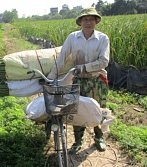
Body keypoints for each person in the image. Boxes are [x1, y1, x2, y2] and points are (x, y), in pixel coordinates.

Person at [47, 7, 110, 153]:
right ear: (80, 22)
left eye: (92, 19)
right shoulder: (73, 38)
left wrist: (84, 67)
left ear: (96, 22)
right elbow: (62, 58)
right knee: (77, 110)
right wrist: (51, 77)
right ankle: (78, 140)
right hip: (78, 81)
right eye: (85, 19)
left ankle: (99, 137)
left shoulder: (102, 38)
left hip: (96, 81)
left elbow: (103, 61)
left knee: (99, 109)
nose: (88, 22)